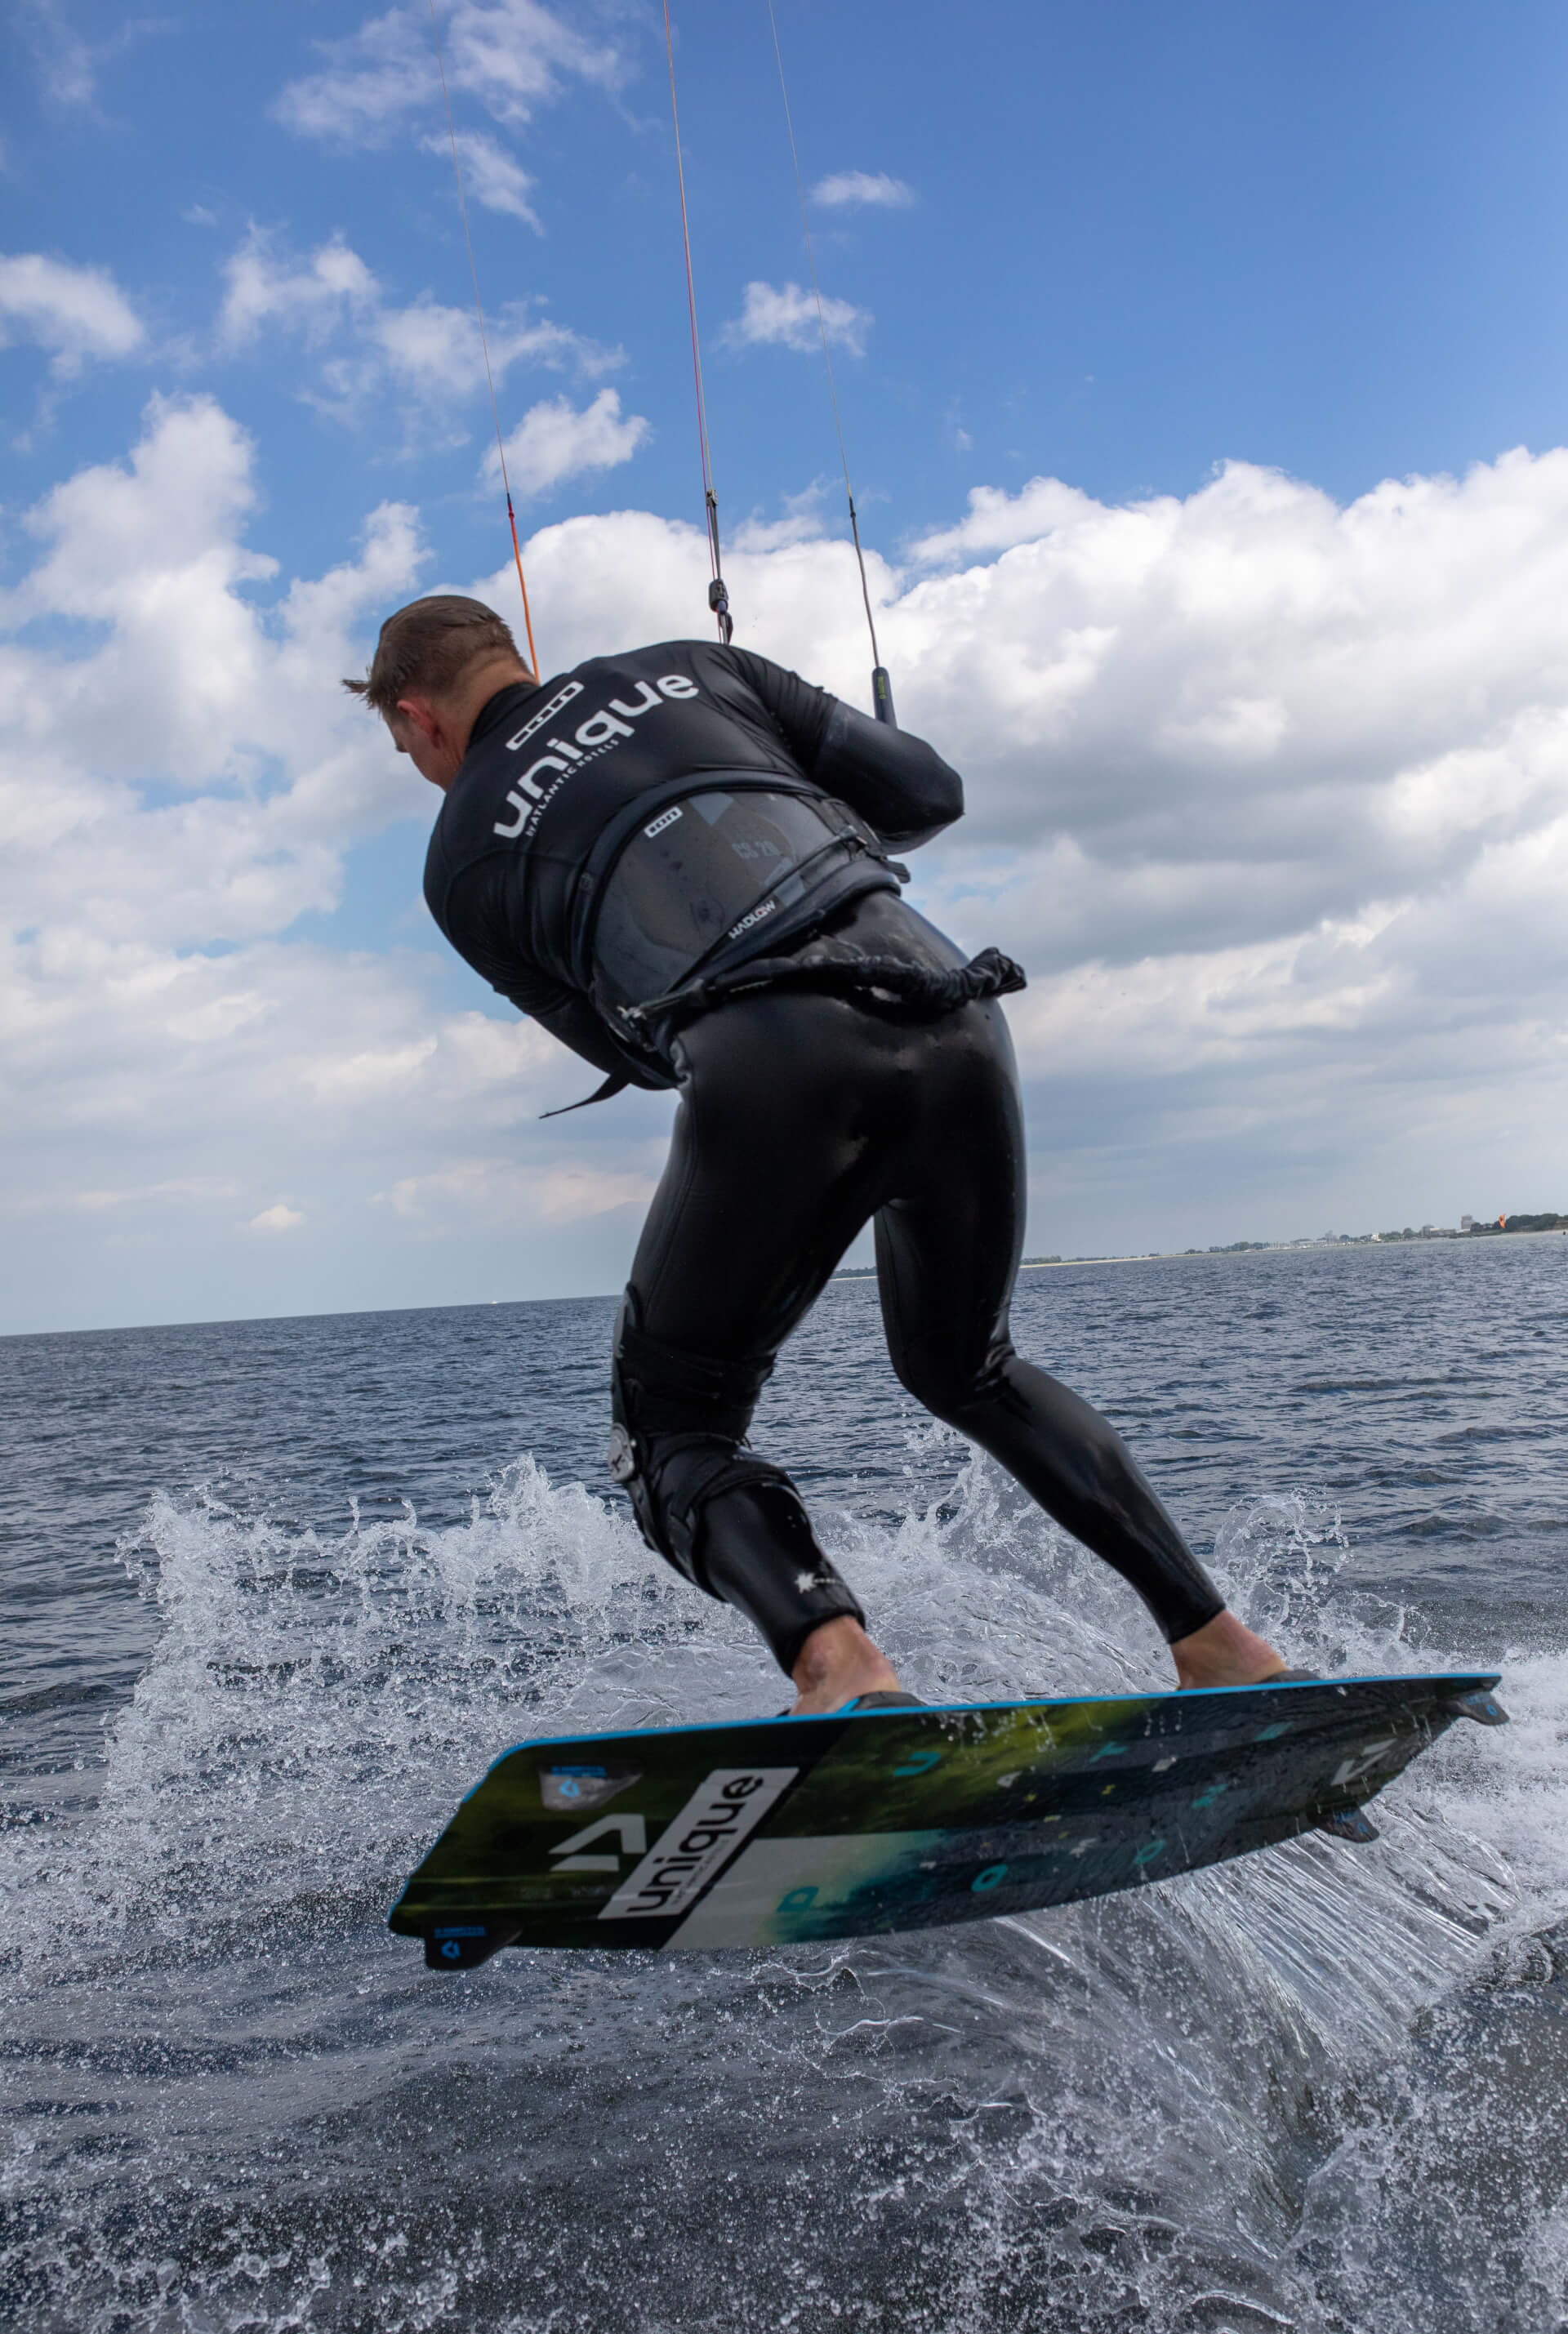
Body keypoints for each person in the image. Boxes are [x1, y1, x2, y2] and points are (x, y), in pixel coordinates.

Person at [346, 594, 1287, 1713]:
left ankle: (838, 1663)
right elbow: (929, 793)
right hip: (954, 1011)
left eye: (404, 745)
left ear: (420, 716)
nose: (417, 762)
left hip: (777, 1062)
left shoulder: (459, 864)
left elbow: (636, 1050)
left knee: (673, 1439)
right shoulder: (692, 667)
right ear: (516, 659)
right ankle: (1217, 1639)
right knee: (966, 1367)